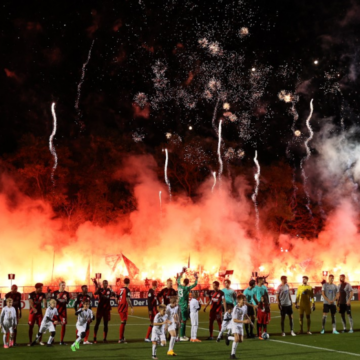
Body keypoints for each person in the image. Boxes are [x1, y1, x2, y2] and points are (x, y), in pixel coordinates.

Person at [177, 270, 198, 341]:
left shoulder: (179, 286)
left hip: (179, 305)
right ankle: (182, 336)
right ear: (188, 283)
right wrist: (196, 279)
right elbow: (195, 284)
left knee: (180, 320)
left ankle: (181, 335)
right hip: (184, 306)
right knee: (183, 321)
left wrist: (181, 273)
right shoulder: (186, 288)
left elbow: (178, 280)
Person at [227, 294, 250, 359]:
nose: (245, 301)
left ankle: (228, 337)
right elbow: (234, 320)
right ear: (239, 300)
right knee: (236, 339)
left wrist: (249, 320)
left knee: (241, 340)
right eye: (243, 300)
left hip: (240, 324)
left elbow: (245, 314)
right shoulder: (235, 308)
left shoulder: (245, 306)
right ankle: (232, 355)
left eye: (245, 300)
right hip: (235, 324)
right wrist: (244, 322)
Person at [117, 277, 133, 343]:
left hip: (120, 306)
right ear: (129, 282)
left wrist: (119, 303)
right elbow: (127, 299)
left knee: (124, 322)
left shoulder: (120, 289)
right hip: (124, 307)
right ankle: (120, 339)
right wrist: (131, 307)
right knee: (123, 322)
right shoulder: (127, 290)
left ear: (124, 282)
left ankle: (122, 337)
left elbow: (116, 298)